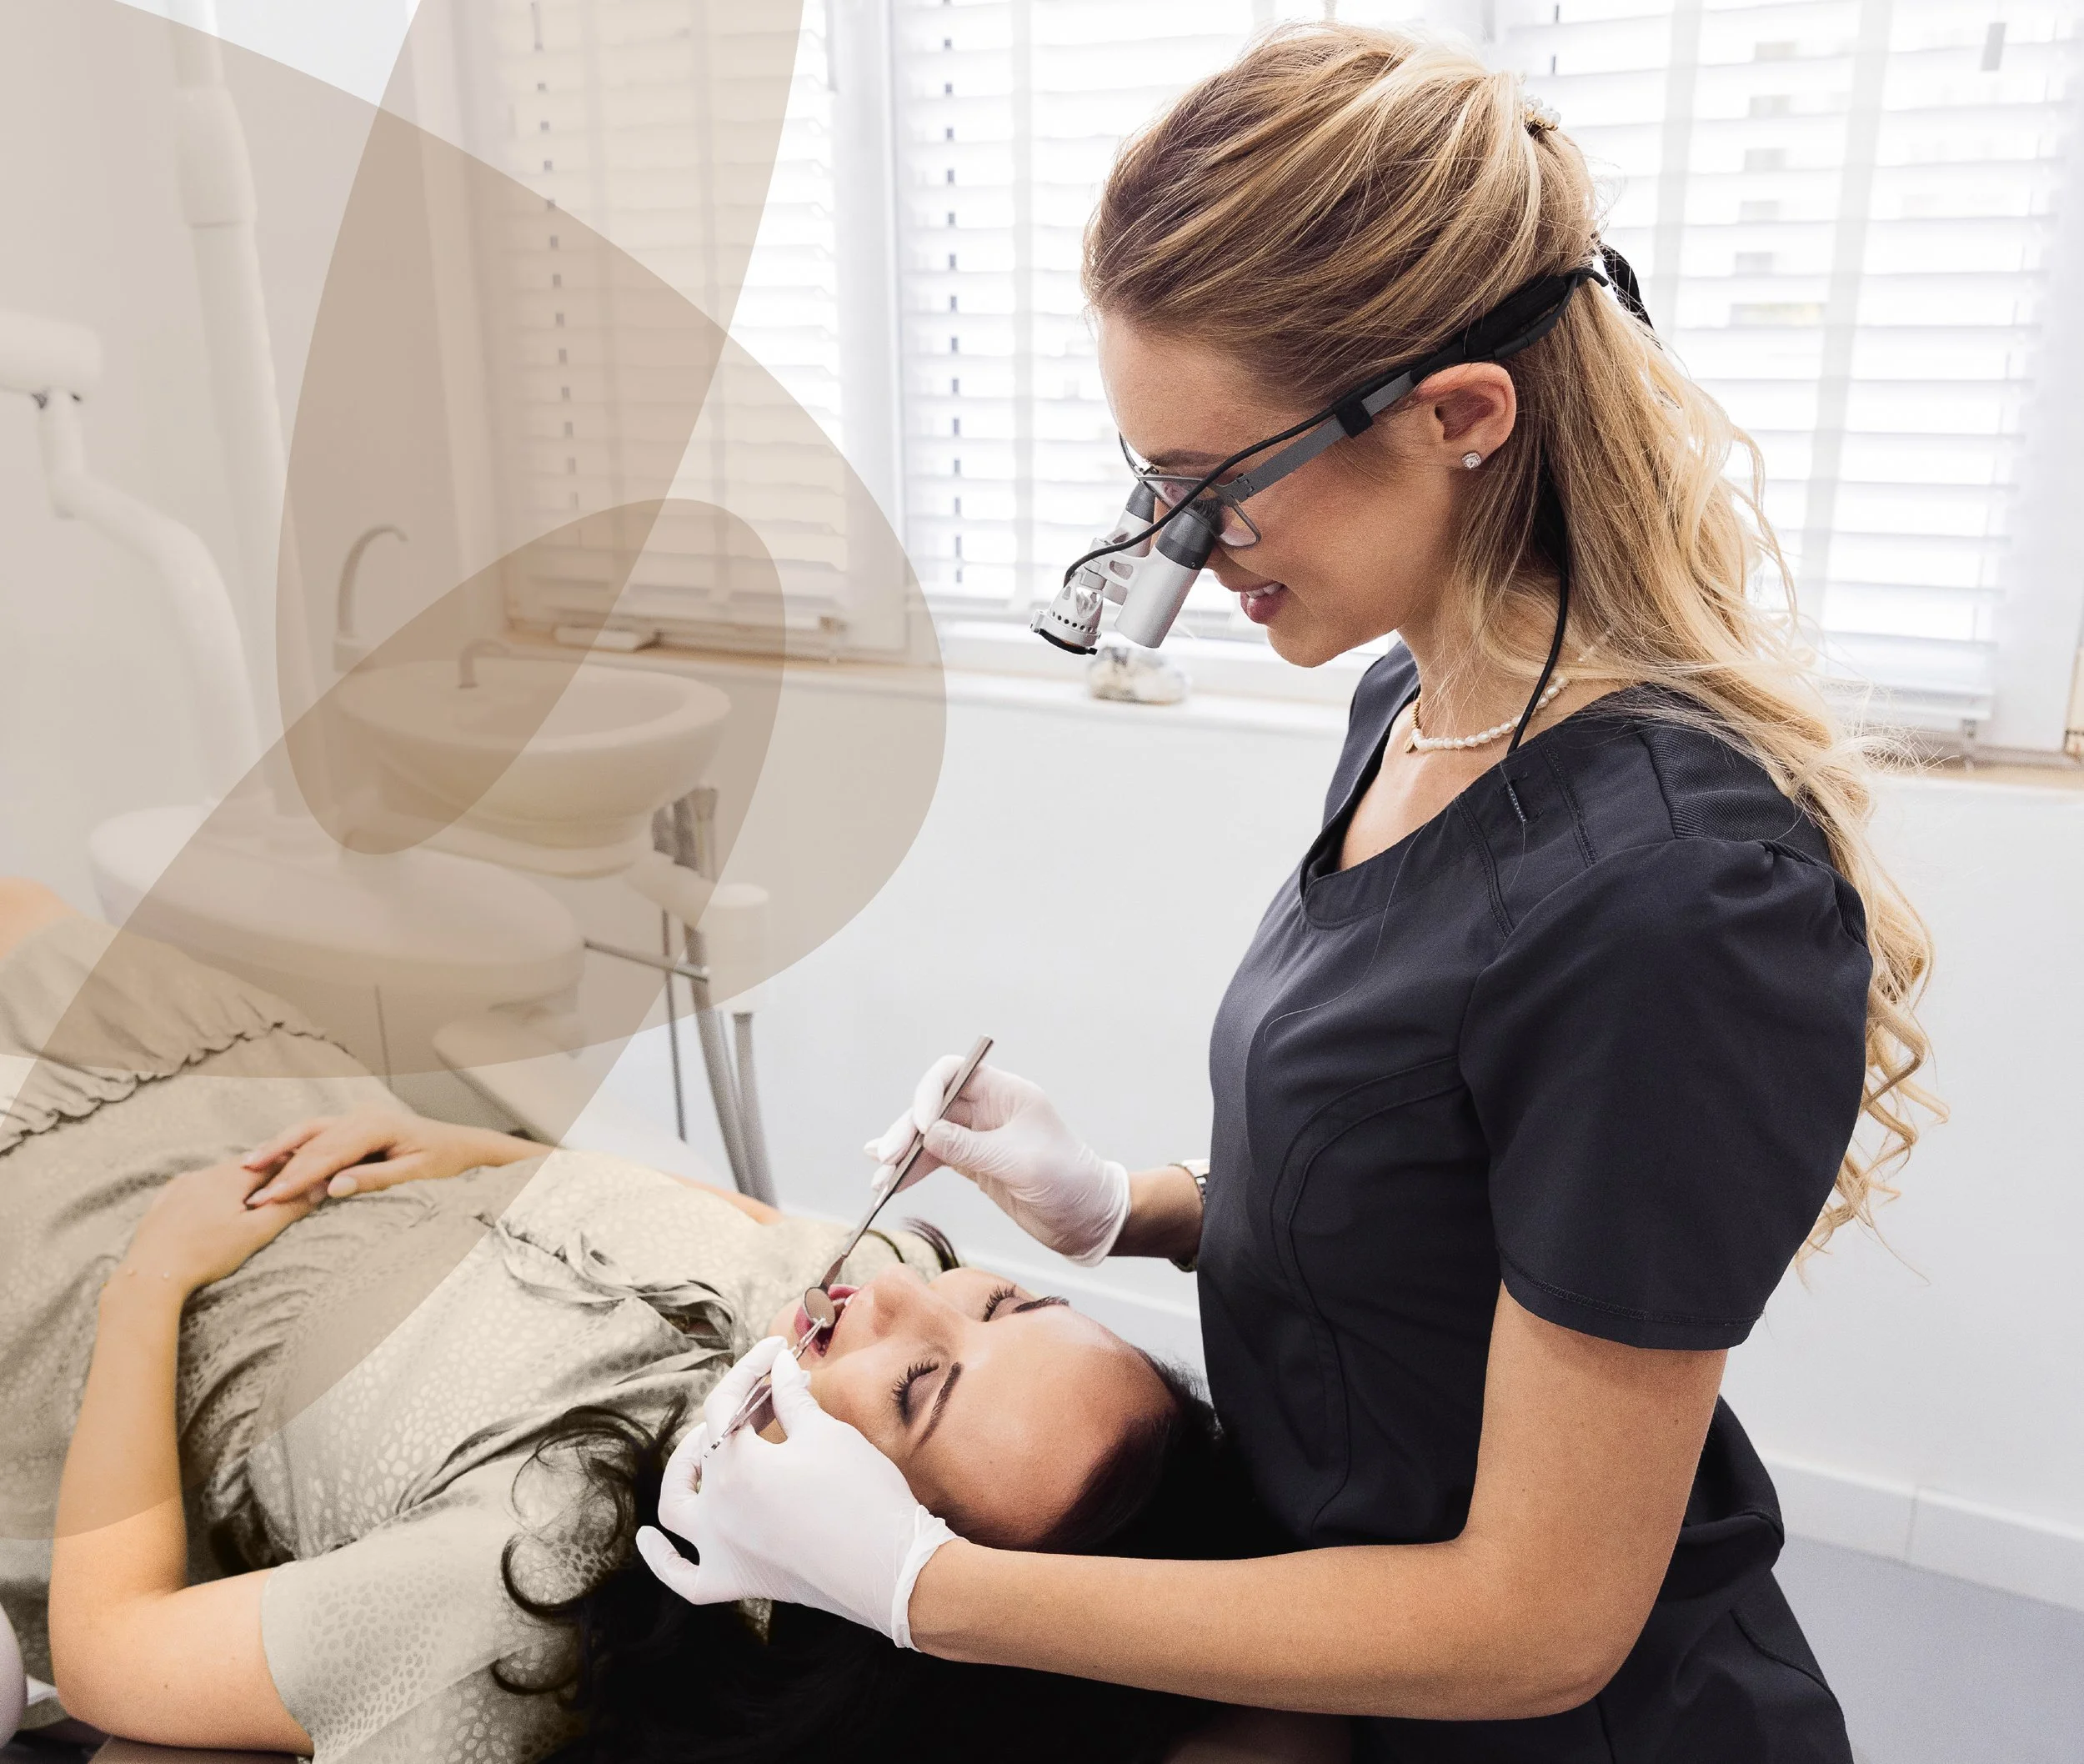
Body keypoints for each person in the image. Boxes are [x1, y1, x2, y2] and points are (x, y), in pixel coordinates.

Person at [641, 24, 1936, 1764]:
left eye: (1212, 493)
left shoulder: (1671, 898)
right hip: (1341, 1666)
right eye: (1149, 486)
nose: (1173, 554)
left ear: (1459, 416)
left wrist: (920, 1586)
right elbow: (1431, 1196)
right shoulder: (1409, 707)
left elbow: (1540, 1622)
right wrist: (1127, 1201)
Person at [0, 879, 1275, 1764]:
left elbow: (113, 1655)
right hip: (286, 1116)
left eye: (917, 1388)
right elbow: (728, 1224)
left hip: (88, 1252)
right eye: (1001, 1296)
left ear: (835, 1561)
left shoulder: (529, 1588)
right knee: (30, 915)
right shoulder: (866, 1280)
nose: (890, 1293)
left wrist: (147, 1286)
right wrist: (476, 1148)